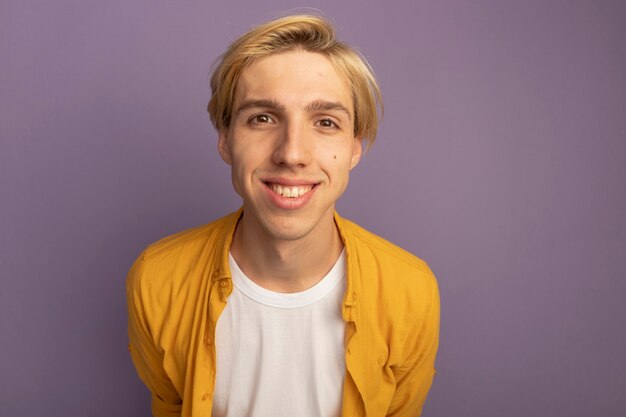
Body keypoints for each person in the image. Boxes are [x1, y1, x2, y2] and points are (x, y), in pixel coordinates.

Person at [127, 14, 440, 417]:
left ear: (354, 148)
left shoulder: (411, 292)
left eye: (325, 122)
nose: (292, 153)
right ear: (225, 141)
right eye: (262, 118)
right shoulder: (157, 280)